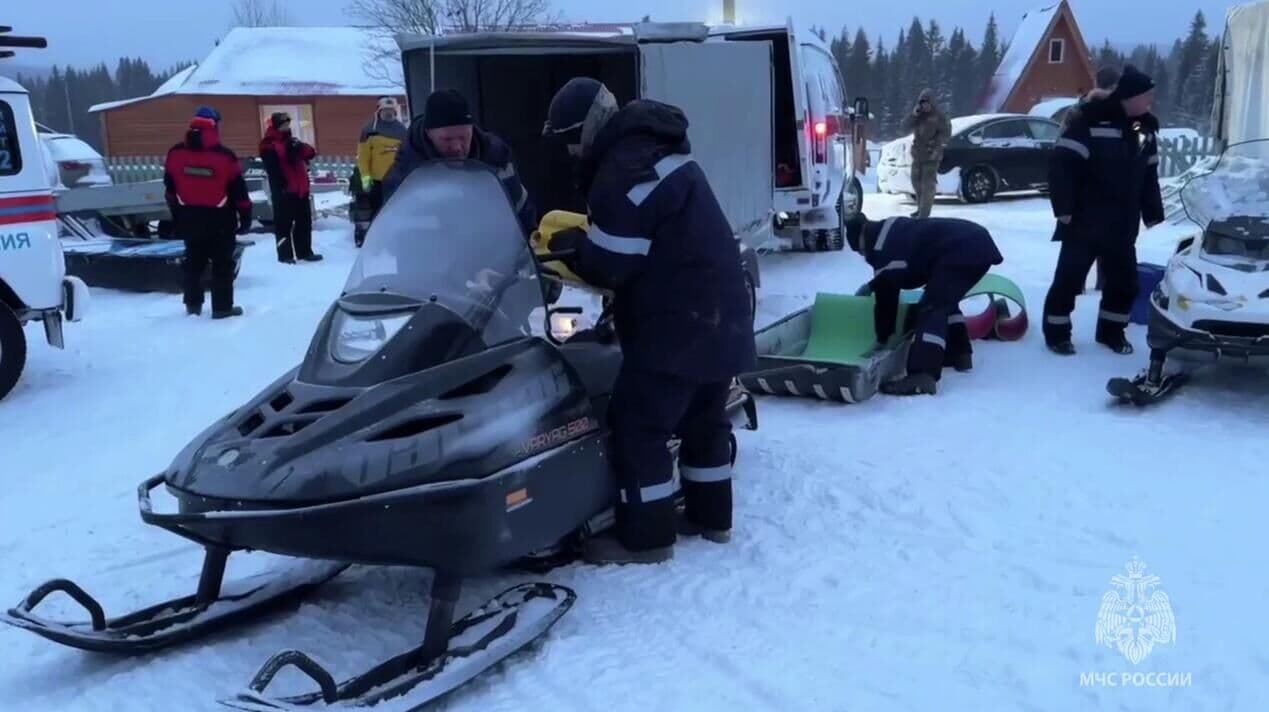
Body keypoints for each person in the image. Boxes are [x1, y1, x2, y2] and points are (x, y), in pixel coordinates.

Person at [539, 77, 756, 565]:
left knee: (639, 424)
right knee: (704, 419)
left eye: (572, 138)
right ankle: (711, 518)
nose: (572, 151)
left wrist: (568, 247)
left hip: (679, 321)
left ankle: (648, 535)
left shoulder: (625, 167)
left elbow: (613, 262)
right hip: (722, 312)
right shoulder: (656, 150)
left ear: (589, 127)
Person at [1042, 65, 1164, 356]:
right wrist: (1064, 209)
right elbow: (1062, 167)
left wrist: (1153, 212)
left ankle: (1112, 332)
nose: (1150, 102)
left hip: (1122, 223)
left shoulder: (1141, 129)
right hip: (1084, 219)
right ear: (1129, 96)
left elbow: (1148, 173)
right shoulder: (1091, 120)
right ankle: (1057, 333)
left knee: (1124, 283)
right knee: (1069, 279)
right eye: (1146, 95)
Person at [844, 212, 1003, 396]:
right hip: (974, 242)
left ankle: (922, 375)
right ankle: (959, 354)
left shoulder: (883, 249)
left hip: (963, 249)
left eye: (860, 251)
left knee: (931, 307)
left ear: (861, 240)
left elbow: (887, 297)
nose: (863, 256)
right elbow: (904, 270)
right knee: (944, 299)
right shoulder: (889, 231)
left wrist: (883, 338)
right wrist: (873, 285)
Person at [382, 89, 536, 237]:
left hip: (492, 253)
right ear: (429, 133)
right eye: (446, 139)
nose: (456, 147)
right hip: (431, 256)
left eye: (463, 137)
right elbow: (393, 229)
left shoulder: (496, 155)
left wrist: (530, 238)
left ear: (472, 129)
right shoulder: (406, 169)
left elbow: (519, 205)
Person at [163, 107, 251, 319]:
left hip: (189, 216)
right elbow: (239, 191)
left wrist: (177, 215)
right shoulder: (225, 157)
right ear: (214, 126)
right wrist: (245, 216)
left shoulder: (175, 154)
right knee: (222, 264)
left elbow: (170, 189)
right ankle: (222, 308)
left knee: (193, 263)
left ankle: (193, 305)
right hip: (220, 219)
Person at [259, 112, 323, 264]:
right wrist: (281, 185)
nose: (286, 127)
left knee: (304, 223)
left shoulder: (292, 140)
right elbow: (272, 167)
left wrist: (299, 147)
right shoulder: (269, 144)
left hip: (300, 190)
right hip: (284, 191)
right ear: (275, 126)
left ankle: (305, 252)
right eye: (283, 125)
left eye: (287, 124)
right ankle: (285, 255)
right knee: (283, 226)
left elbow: (311, 153)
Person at [354, 96, 408, 245]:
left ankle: (395, 240)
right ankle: (376, 242)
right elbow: (363, 157)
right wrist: (366, 178)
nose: (388, 114)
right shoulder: (369, 131)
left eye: (391, 111)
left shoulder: (402, 130)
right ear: (379, 111)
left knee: (397, 211)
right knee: (378, 212)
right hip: (377, 181)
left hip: (397, 180)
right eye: (385, 111)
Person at [900, 89, 951, 219]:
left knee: (927, 186)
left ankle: (924, 215)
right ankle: (920, 208)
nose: (925, 106)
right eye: (922, 103)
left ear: (932, 103)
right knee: (916, 182)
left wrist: (936, 144)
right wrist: (913, 115)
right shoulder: (918, 116)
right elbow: (904, 128)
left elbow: (946, 134)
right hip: (918, 155)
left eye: (927, 103)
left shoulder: (939, 117)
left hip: (932, 156)